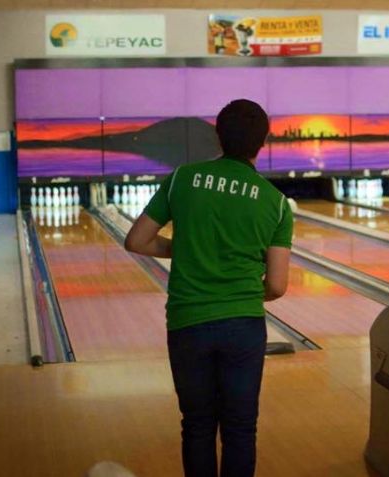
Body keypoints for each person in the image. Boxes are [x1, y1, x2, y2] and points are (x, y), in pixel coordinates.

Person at [124, 99, 293, 477]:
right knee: (240, 428)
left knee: (197, 425)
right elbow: (278, 285)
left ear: (217, 134)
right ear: (263, 142)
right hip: (244, 327)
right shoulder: (277, 203)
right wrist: (244, 293)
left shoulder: (183, 178)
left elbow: (136, 241)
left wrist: (181, 249)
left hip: (188, 322)